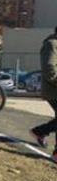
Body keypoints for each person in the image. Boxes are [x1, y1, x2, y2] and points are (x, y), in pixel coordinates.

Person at [31, 26, 57, 163]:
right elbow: (49, 69)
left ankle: (40, 132)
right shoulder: (52, 45)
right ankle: (40, 131)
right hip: (54, 90)